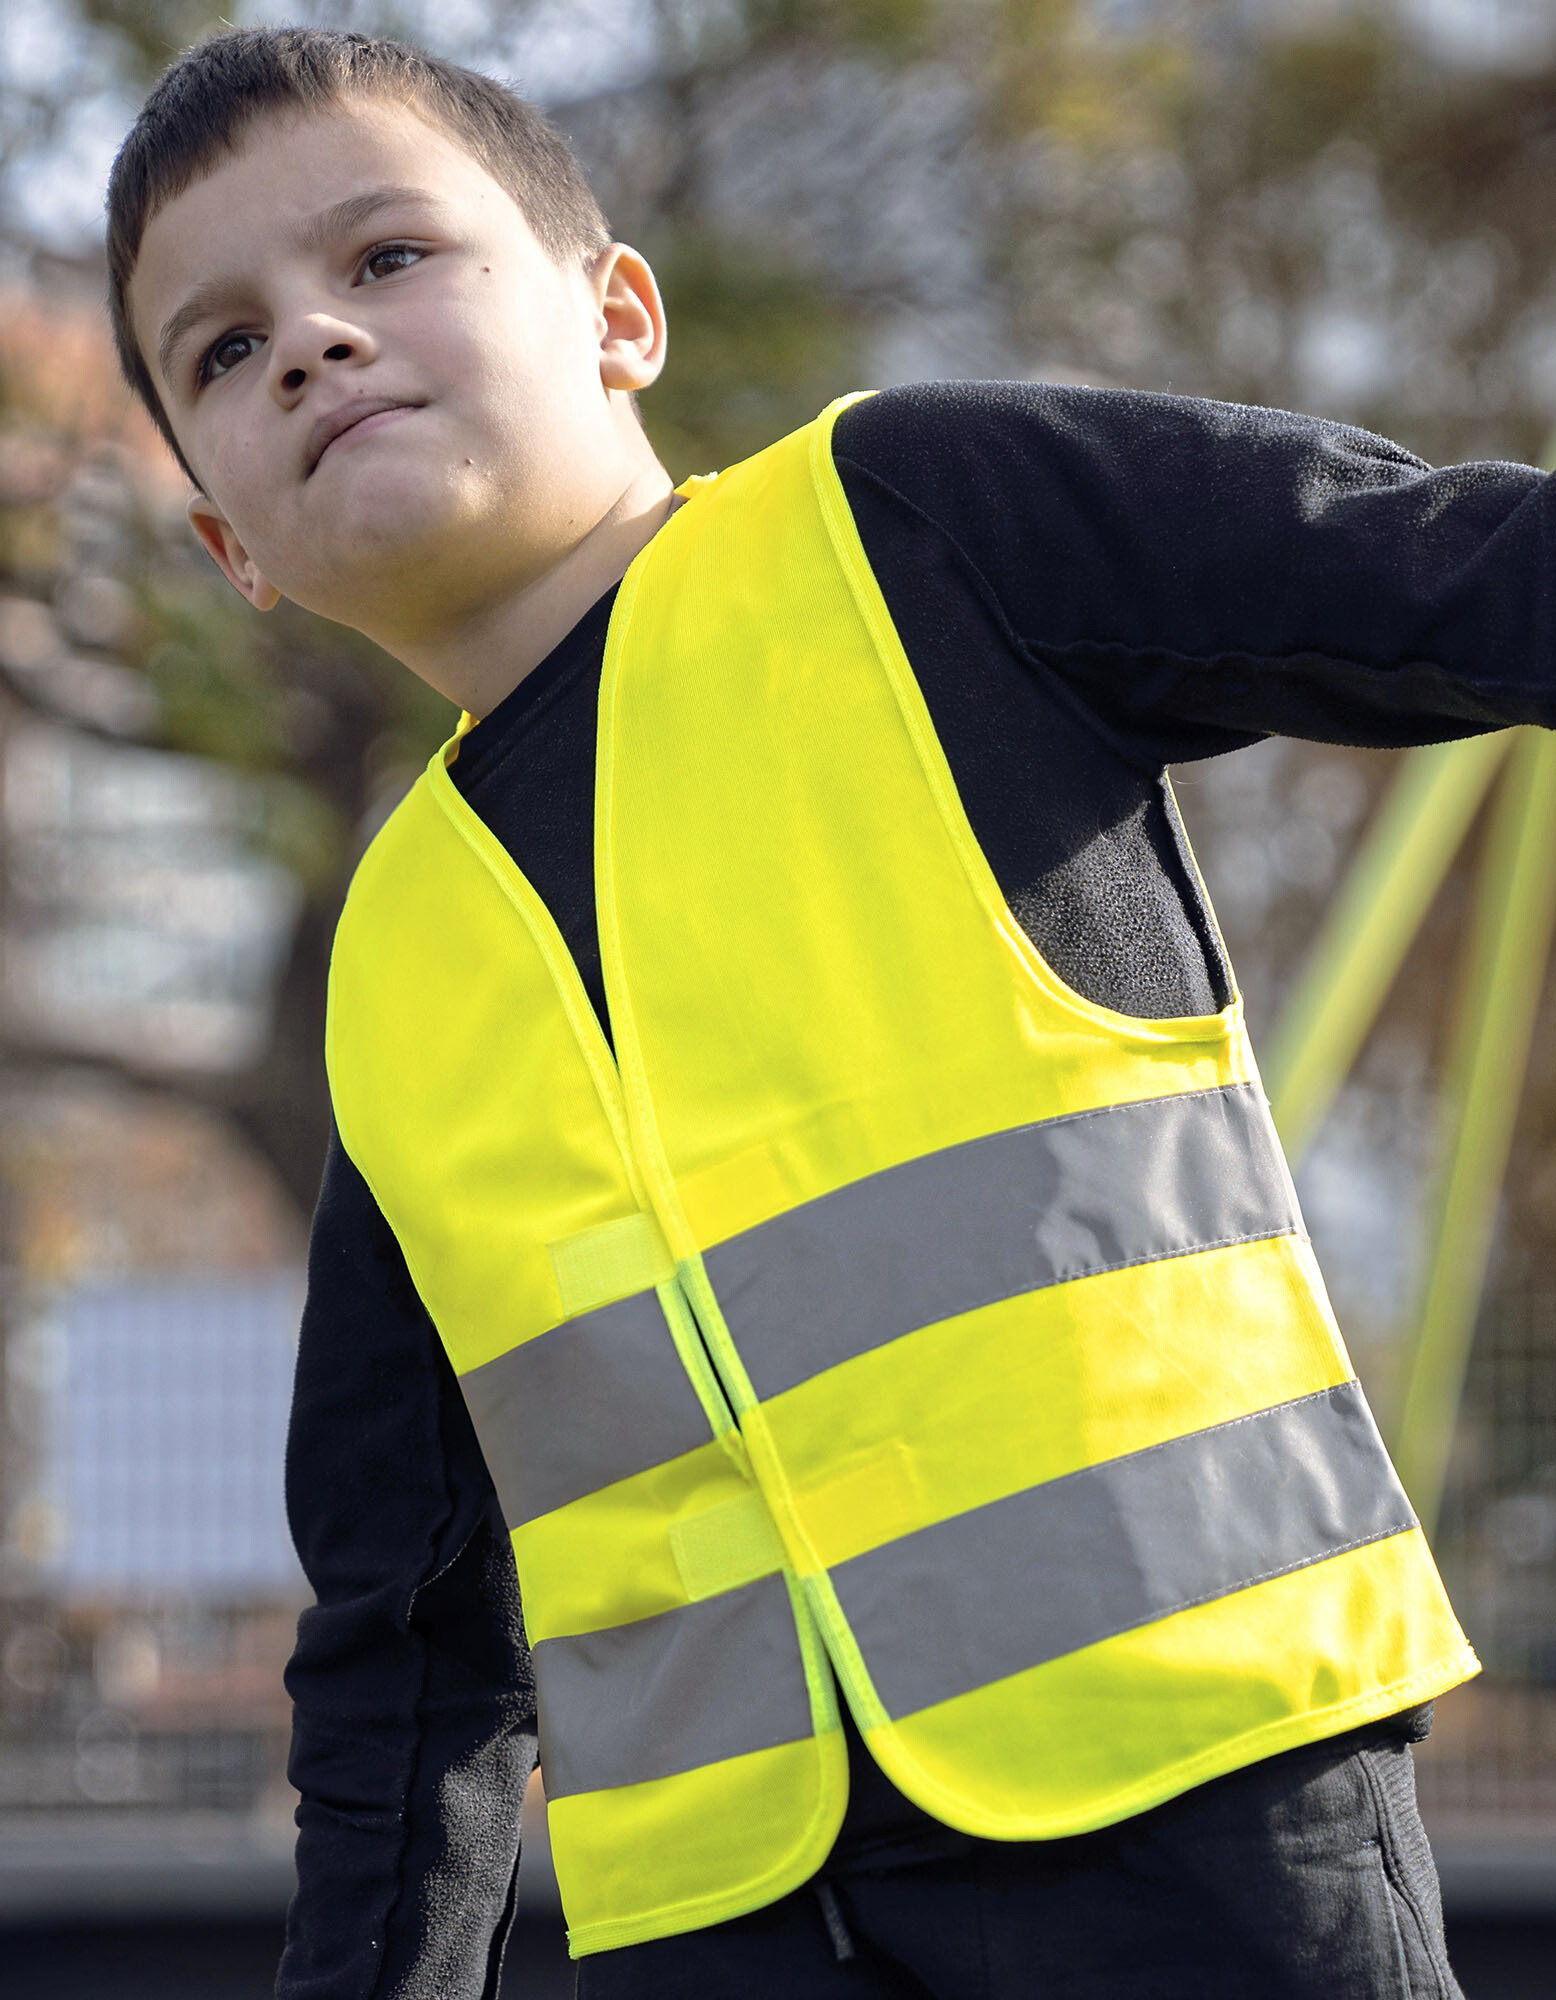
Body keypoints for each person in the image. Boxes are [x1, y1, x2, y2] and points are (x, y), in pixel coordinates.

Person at [106, 24, 1544, 1999]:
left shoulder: (916, 532)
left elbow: (1453, 571)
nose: (310, 345)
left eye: (384, 261)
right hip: (719, 1925)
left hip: (1192, 1794)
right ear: (227, 549)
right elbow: (409, 1623)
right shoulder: (393, 957)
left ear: (618, 313)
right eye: (221, 348)